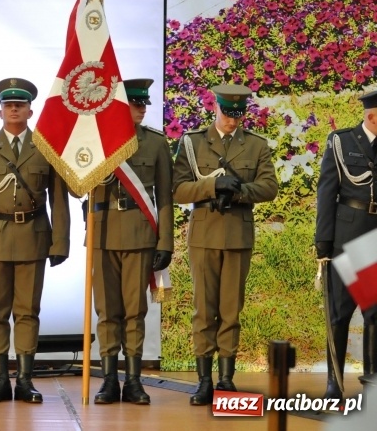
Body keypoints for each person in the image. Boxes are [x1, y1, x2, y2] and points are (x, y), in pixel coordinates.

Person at [0, 77, 71, 404]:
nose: (13, 109)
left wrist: (60, 242)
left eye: (19, 105)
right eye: (8, 105)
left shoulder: (46, 148)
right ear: (0, 111)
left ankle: (24, 380)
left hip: (33, 238)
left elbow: (59, 199)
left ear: (30, 110)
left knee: (27, 312)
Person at [172, 83, 277, 406]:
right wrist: (212, 185)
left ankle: (226, 378)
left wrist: (239, 192)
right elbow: (177, 190)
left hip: (237, 234)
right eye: (227, 114)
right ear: (214, 108)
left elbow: (269, 187)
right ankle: (204, 380)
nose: (232, 121)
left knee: (231, 309)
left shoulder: (255, 146)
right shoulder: (192, 143)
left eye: (238, 115)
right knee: (205, 310)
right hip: (204, 234)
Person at [88, 78, 174, 405]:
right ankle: (109, 379)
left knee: (135, 311)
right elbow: (75, 186)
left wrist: (165, 242)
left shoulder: (154, 143)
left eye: (143, 104)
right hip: (103, 231)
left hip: (140, 233)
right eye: (135, 104)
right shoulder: (97, 141)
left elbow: (164, 196)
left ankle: (134, 380)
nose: (141, 109)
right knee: (107, 311)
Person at [315, 90, 377, 399]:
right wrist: (323, 243)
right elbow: (327, 193)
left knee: (374, 314)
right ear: (372, 116)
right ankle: (334, 382)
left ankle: (373, 382)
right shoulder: (342, 141)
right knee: (339, 313)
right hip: (348, 237)